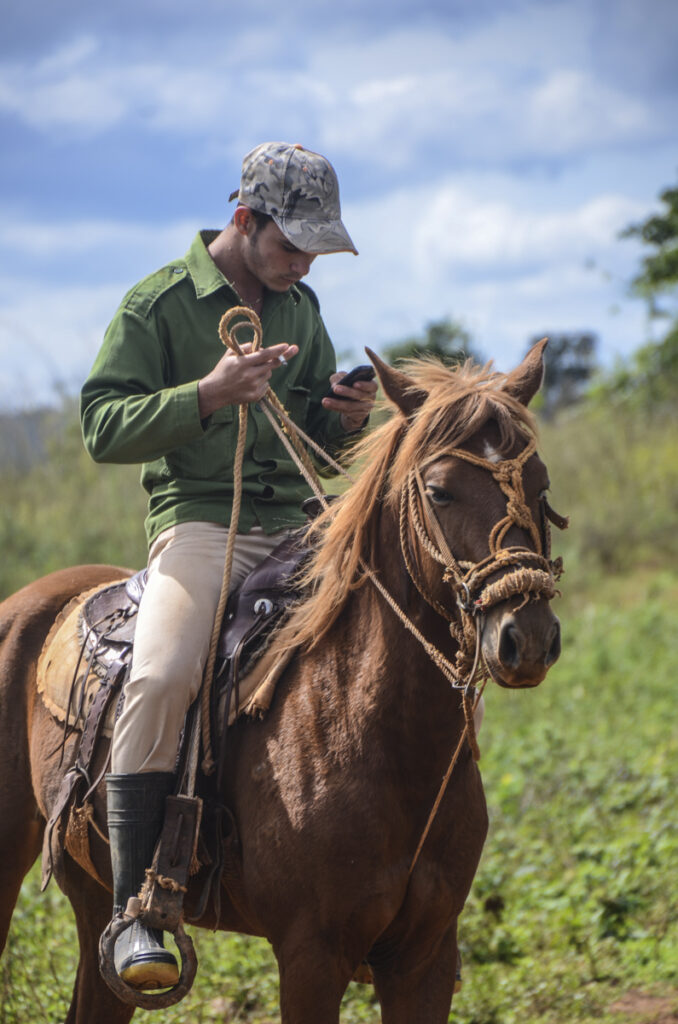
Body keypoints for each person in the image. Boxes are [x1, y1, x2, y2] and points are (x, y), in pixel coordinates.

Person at [80, 141, 377, 990]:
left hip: (298, 525)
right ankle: (136, 911)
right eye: (291, 245)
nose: (303, 263)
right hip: (203, 524)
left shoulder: (301, 308)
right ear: (244, 221)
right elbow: (103, 427)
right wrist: (209, 394)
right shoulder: (158, 305)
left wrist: (344, 415)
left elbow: (315, 446)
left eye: (316, 250)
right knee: (164, 673)